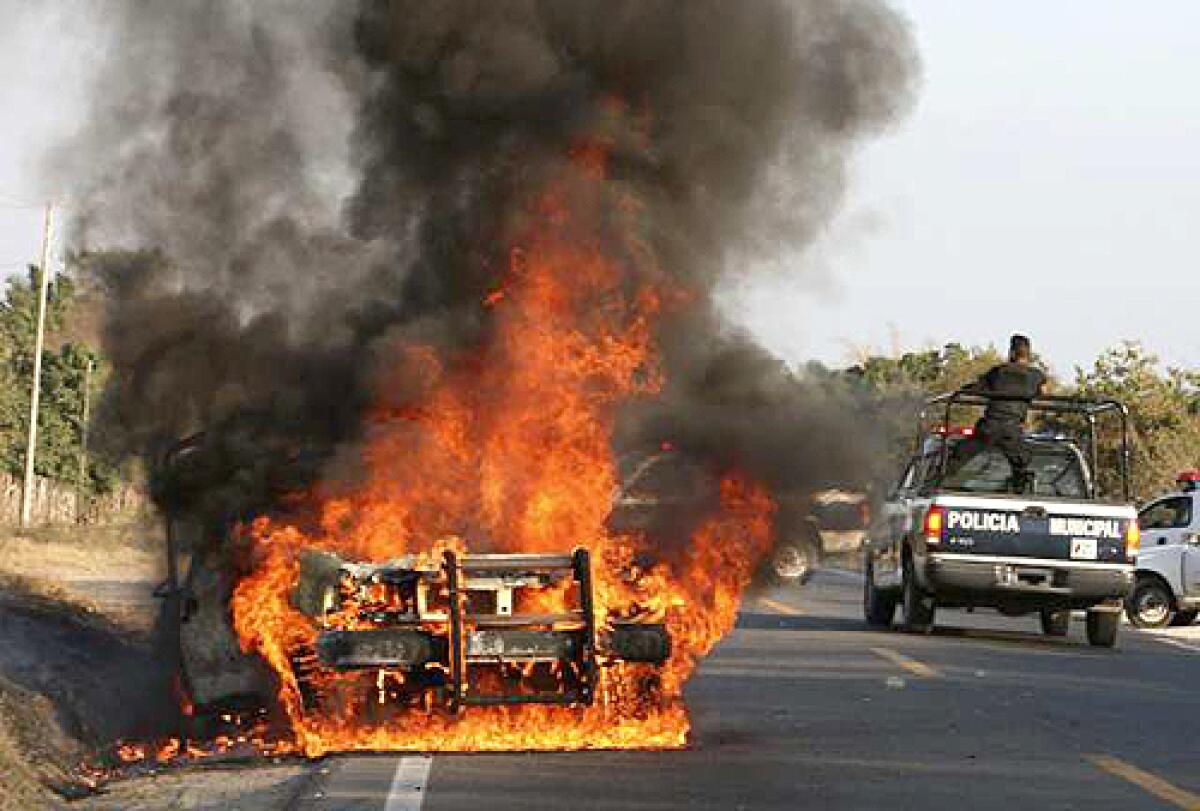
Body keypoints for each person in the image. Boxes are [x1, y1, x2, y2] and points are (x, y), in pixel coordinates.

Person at [953, 334, 1049, 493]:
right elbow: (1045, 393)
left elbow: (975, 388)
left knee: (958, 456)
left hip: (990, 428)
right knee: (1021, 464)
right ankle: (1021, 491)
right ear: (1028, 354)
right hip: (1012, 431)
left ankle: (940, 478)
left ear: (1011, 352)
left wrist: (962, 391)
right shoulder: (1036, 376)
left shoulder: (998, 372)